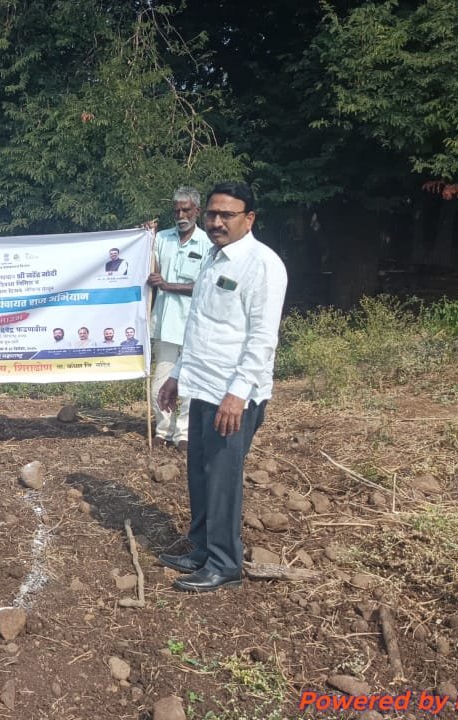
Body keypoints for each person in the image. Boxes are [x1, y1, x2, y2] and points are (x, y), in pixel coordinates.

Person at [157, 181, 287, 592]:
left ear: (249, 218)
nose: (216, 222)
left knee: (222, 478)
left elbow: (263, 339)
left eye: (226, 215)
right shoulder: (212, 259)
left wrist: (238, 394)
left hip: (233, 394)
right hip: (203, 385)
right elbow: (199, 325)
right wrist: (177, 374)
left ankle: (226, 563)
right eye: (212, 214)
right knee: (199, 471)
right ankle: (200, 548)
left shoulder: (262, 265)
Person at [149, 187, 205, 453]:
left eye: (186, 210)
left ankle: (183, 434)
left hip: (194, 326)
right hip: (164, 323)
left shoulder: (208, 244)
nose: (181, 215)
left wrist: (168, 286)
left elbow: (204, 286)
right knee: (160, 381)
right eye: (177, 210)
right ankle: (163, 430)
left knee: (190, 383)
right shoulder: (161, 239)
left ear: (198, 211)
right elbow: (151, 271)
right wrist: (144, 238)